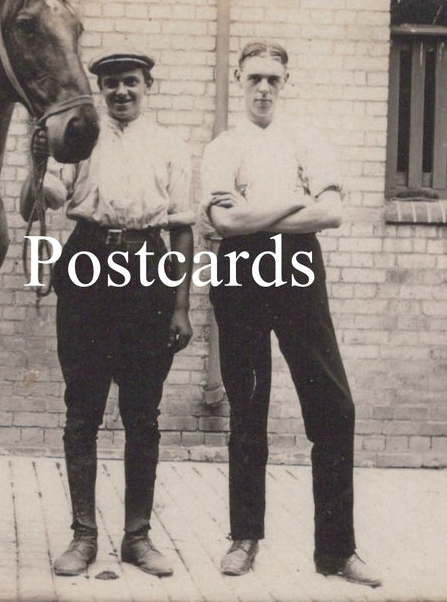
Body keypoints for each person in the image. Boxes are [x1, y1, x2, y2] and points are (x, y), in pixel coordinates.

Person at [200, 41, 381, 586]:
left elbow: (333, 213)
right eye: (254, 78)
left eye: (272, 80)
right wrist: (294, 203)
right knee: (248, 407)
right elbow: (224, 227)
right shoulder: (223, 146)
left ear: (285, 82)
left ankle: (336, 550)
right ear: (239, 79)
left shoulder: (307, 139)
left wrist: (255, 211)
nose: (262, 88)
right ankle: (244, 537)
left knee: (334, 406)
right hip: (241, 272)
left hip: (299, 270)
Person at [21, 45, 194, 578]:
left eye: (131, 82)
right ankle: (83, 535)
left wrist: (181, 307)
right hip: (88, 262)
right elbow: (42, 199)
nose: (121, 91)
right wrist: (36, 167)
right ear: (100, 89)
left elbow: (184, 229)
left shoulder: (170, 146)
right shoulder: (80, 142)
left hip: (149, 269)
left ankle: (138, 536)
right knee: (83, 411)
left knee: (143, 414)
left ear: (148, 87)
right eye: (112, 83)